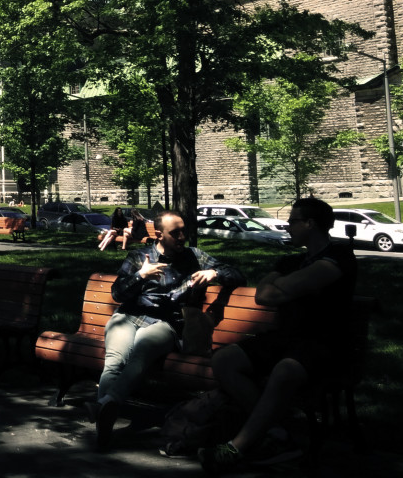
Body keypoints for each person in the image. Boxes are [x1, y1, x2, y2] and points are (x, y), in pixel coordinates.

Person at [198, 197, 356, 474]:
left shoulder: (341, 256)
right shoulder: (291, 259)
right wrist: (288, 286)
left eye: (294, 220)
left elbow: (283, 287)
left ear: (311, 223)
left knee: (284, 370)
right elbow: (263, 295)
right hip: (285, 338)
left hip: (326, 343)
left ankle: (236, 448)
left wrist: (284, 286)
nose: (287, 226)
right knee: (224, 360)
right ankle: (278, 435)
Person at [91, 211, 244, 450]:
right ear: (159, 234)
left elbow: (238, 275)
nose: (182, 236)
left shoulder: (195, 256)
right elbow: (117, 294)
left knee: (140, 352)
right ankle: (105, 419)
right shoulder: (139, 256)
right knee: (114, 360)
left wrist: (214, 273)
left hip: (165, 323)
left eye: (184, 231)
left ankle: (107, 404)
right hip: (128, 316)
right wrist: (141, 275)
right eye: (176, 233)